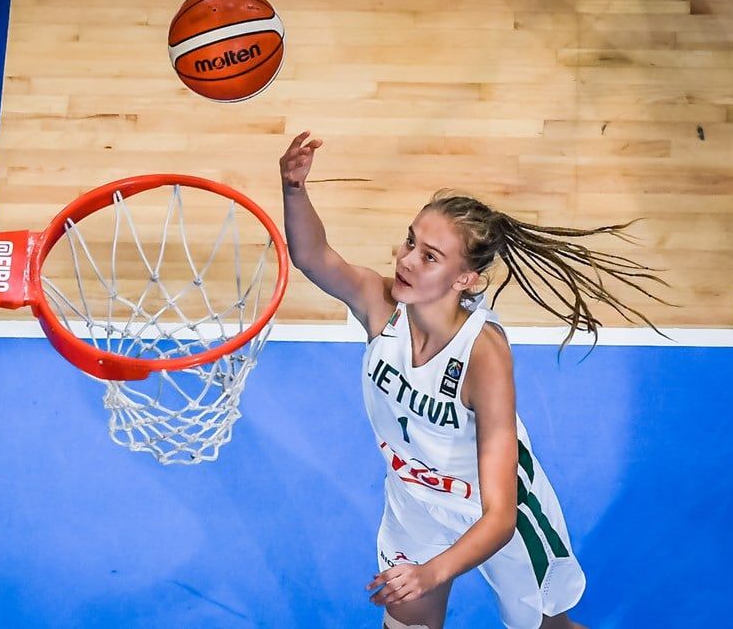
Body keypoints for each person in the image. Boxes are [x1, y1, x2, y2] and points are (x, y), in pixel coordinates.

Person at [279, 131, 666, 629]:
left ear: (467, 280)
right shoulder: (380, 306)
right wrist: (294, 188)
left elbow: (500, 516)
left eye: (430, 256)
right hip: (414, 503)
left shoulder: (483, 356)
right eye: (411, 241)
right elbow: (313, 257)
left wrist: (431, 573)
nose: (406, 259)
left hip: (495, 516)